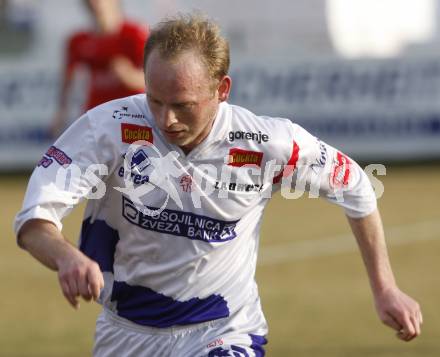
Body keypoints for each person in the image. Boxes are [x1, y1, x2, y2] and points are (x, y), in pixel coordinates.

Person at [16, 13, 422, 357]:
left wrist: (385, 288)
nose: (166, 120)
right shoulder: (107, 127)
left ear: (221, 90)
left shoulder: (268, 145)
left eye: (182, 105)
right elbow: (34, 218)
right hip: (126, 333)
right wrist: (66, 256)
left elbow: (357, 187)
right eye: (155, 100)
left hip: (223, 331)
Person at [50, 0, 148, 137]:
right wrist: (61, 113)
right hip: (97, 115)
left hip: (132, 116)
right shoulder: (78, 40)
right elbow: (67, 80)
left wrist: (129, 76)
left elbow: (153, 82)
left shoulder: (135, 34)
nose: (95, 4)